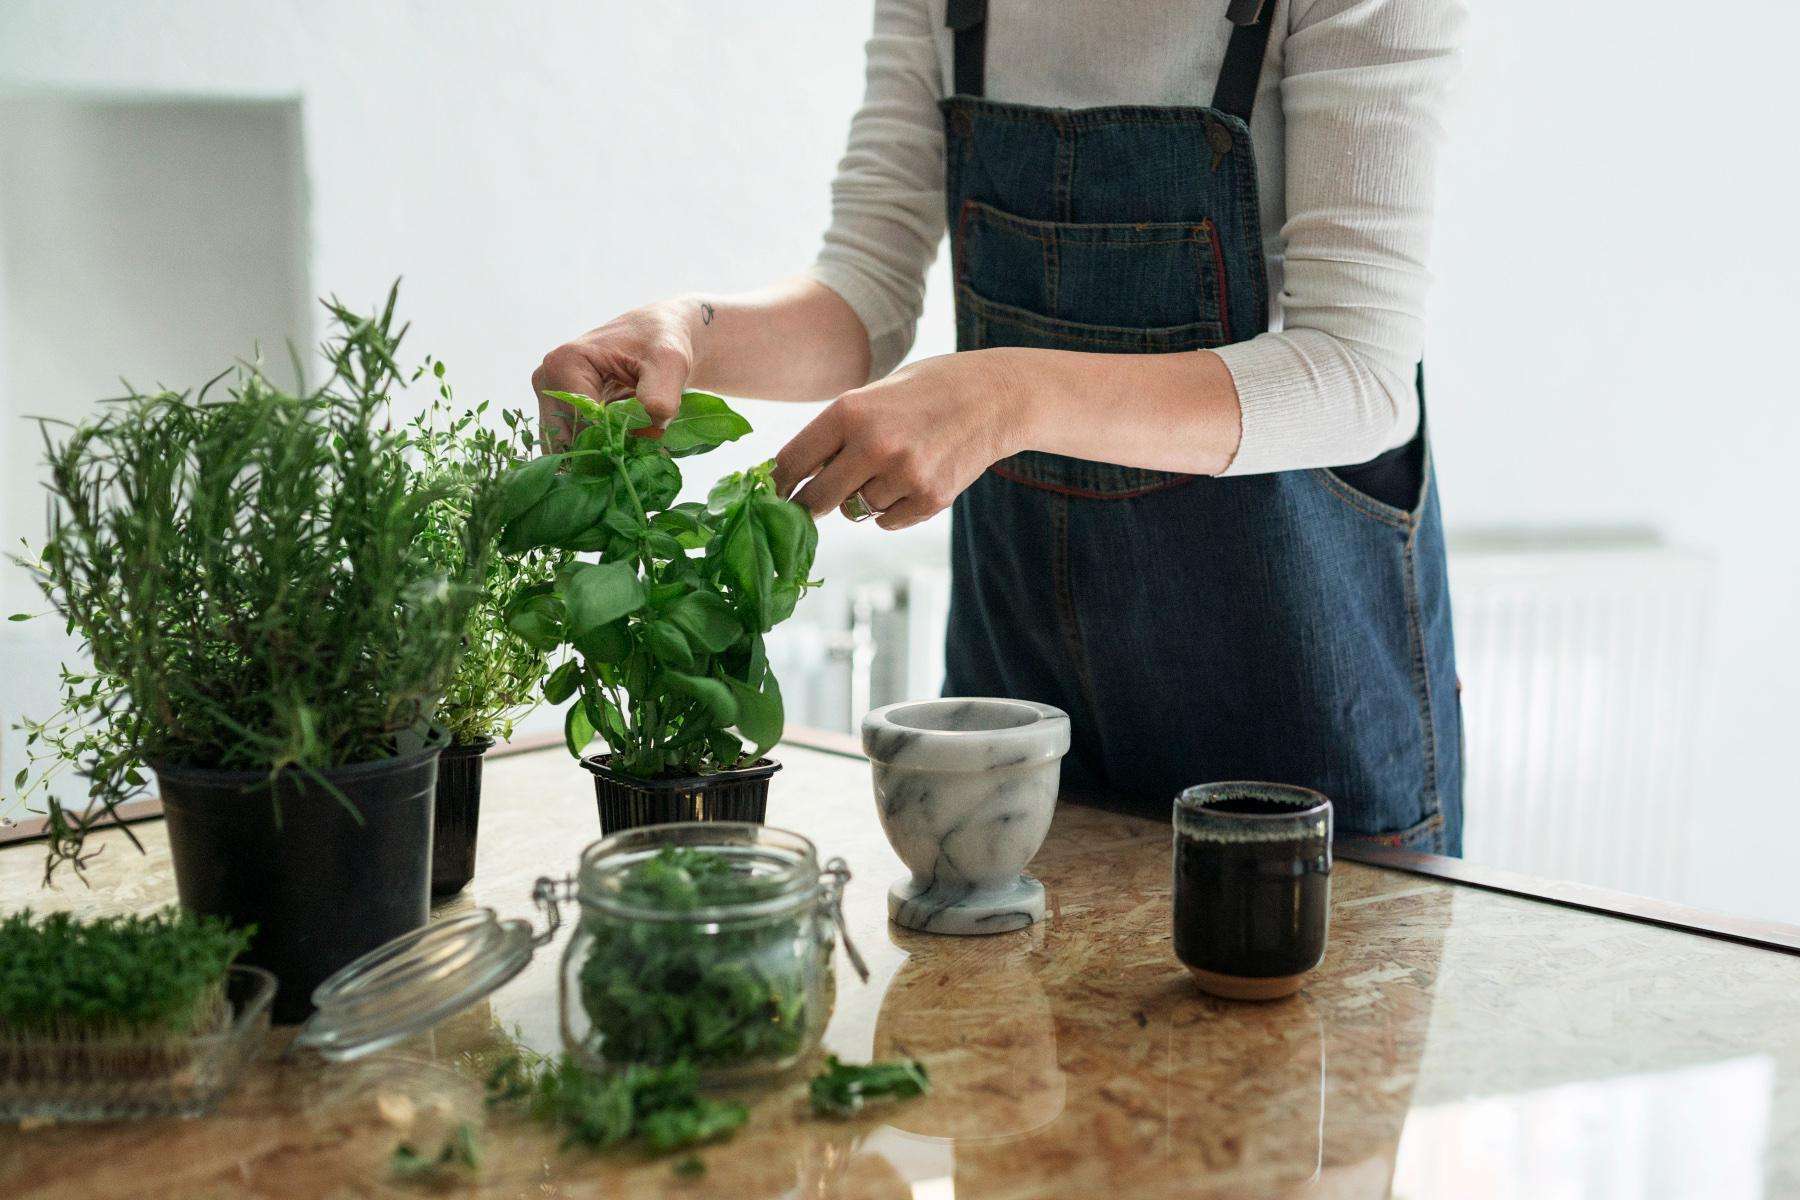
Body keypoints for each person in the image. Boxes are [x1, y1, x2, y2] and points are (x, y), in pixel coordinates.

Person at [531, 0, 1467, 853]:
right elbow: (867, 287)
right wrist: (685, 331)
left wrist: (1006, 395)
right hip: (1022, 699)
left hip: (1299, 712)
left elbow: (1357, 374)